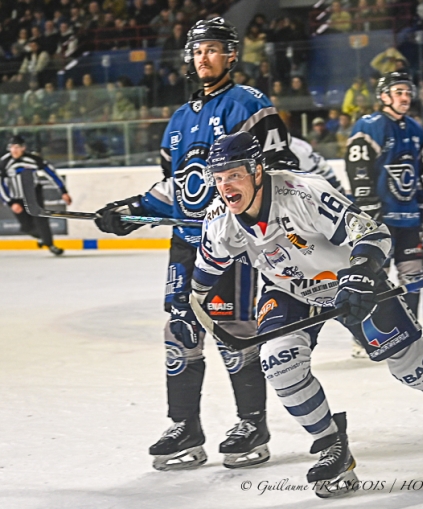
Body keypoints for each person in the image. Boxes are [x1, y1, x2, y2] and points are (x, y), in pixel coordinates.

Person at [193, 131, 423, 497]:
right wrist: (190, 309)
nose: (225, 186)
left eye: (234, 174)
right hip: (288, 290)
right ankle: (332, 446)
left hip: (349, 280)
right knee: (278, 361)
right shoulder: (219, 218)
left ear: (257, 170)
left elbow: (374, 233)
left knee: (413, 365)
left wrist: (362, 272)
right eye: (218, 178)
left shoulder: (303, 192)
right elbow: (205, 276)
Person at [93, 17, 297, 472]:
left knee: (232, 332)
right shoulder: (180, 119)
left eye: (213, 49)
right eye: (198, 50)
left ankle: (252, 425)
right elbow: (174, 186)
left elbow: (283, 173)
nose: (203, 57)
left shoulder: (250, 106)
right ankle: (184, 425)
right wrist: (128, 210)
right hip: (186, 244)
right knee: (181, 331)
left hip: (234, 244)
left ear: (231, 56)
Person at [343, 70, 423, 332]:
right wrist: (368, 205)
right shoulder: (370, 125)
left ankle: (411, 329)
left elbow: (418, 172)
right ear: (383, 96)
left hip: (409, 219)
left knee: (413, 276)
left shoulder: (415, 128)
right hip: (379, 220)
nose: (405, 97)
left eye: (407, 92)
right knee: (370, 278)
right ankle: (367, 333)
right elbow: (358, 169)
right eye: (398, 92)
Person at [0, 135, 71, 256]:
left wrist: (63, 191)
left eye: (17, 147)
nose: (14, 150)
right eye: (12, 147)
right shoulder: (4, 162)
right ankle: (42, 237)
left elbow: (51, 173)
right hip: (17, 197)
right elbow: (1, 184)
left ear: (23, 148)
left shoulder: (33, 159)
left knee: (41, 220)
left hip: (33, 195)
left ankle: (51, 245)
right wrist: (11, 202)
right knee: (26, 227)